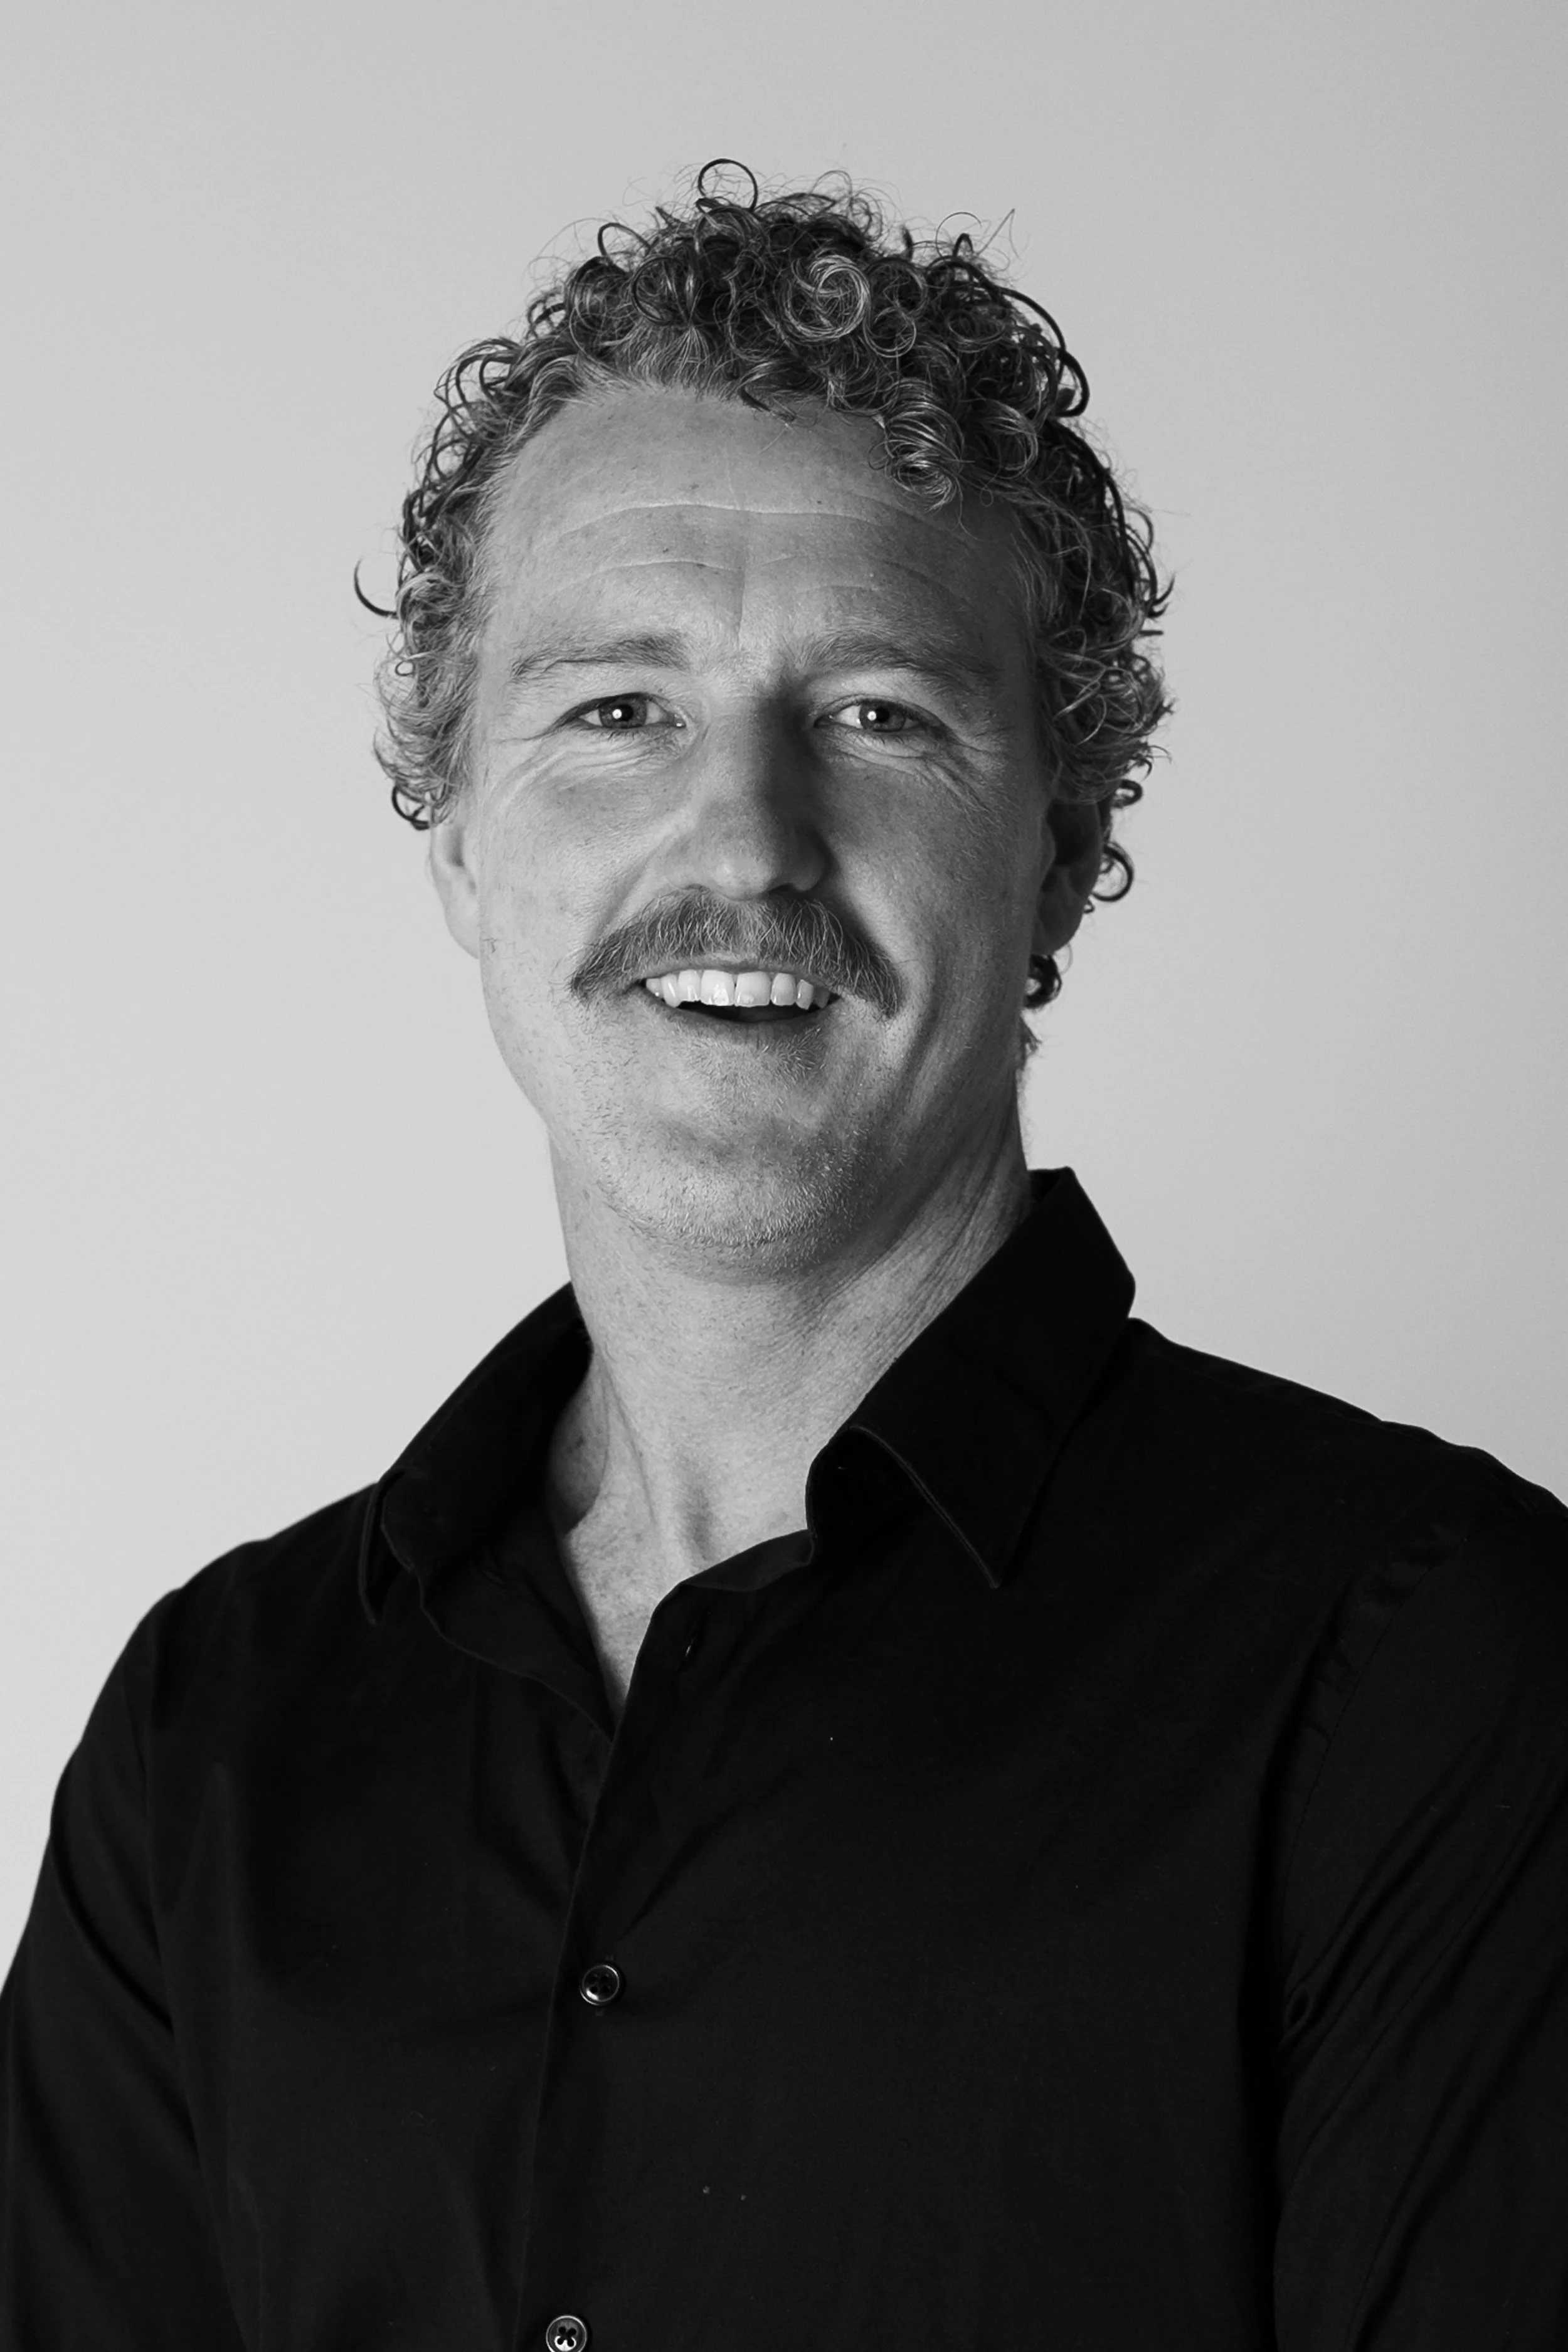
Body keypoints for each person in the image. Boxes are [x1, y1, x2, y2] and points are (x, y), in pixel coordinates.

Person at [3, 162, 1565, 2352]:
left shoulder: (1423, 1673)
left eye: (875, 715)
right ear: (458, 840)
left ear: (1061, 851)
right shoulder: (213, 1736)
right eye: (614, 709)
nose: (739, 834)